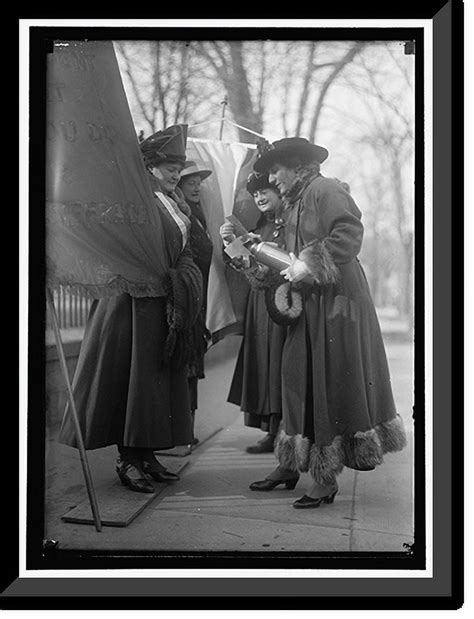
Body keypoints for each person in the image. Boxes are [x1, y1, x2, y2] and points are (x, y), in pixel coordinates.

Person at [248, 136, 407, 507]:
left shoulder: (325, 189)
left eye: (276, 171)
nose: (273, 179)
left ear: (297, 166)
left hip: (337, 302)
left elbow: (349, 234)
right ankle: (290, 464)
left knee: (326, 383)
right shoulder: (296, 201)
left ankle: (324, 478)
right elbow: (292, 254)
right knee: (297, 377)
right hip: (312, 302)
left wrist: (309, 262)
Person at [58, 124, 204, 494]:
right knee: (132, 382)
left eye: (179, 165)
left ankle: (146, 454)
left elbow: (182, 249)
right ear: (150, 167)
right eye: (169, 166)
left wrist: (183, 277)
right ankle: (127, 459)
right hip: (129, 308)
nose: (176, 172)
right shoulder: (136, 201)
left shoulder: (173, 204)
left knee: (152, 385)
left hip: (161, 306)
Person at [219, 172, 286, 454]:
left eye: (265, 191)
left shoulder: (287, 222)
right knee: (265, 364)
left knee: (280, 365)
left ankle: (283, 430)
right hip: (260, 303)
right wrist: (230, 243)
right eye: (255, 193)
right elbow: (246, 261)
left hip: (283, 303)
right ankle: (271, 430)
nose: (259, 197)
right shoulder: (260, 225)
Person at [176, 162, 214, 446]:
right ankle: (180, 431)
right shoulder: (179, 214)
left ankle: (186, 429)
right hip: (184, 298)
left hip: (198, 298)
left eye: (199, 182)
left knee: (193, 363)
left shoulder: (197, 215)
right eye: (190, 182)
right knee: (184, 363)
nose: (196, 186)